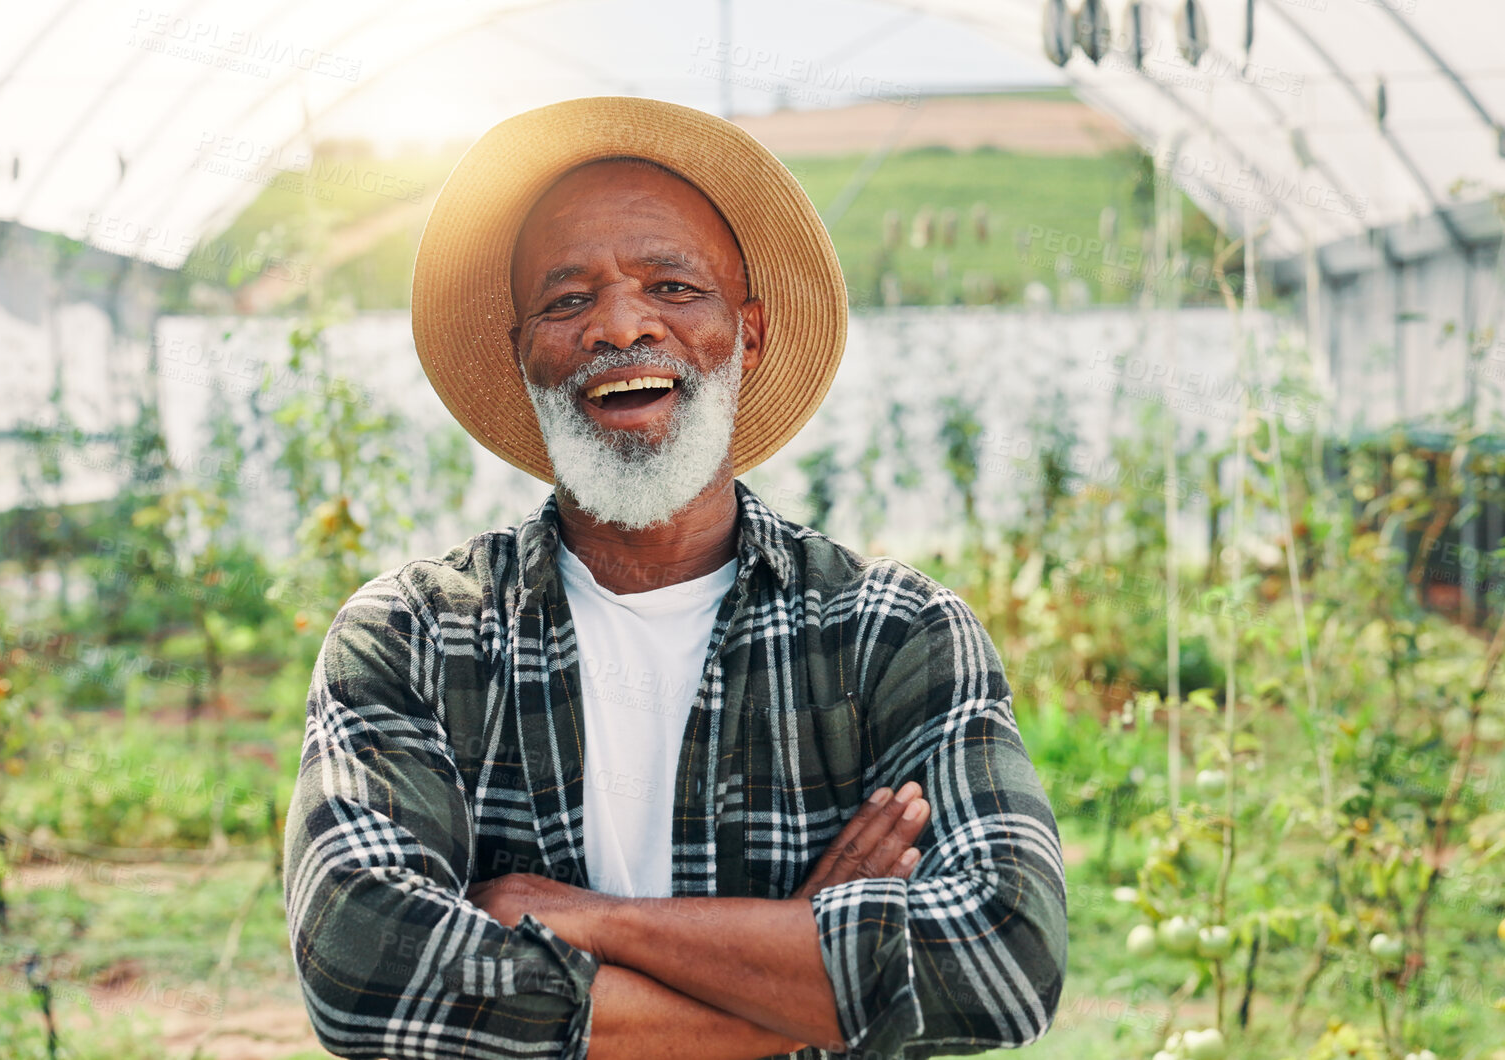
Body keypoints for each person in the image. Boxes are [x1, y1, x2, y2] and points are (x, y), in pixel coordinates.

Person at [282, 96, 1066, 1060]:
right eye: (566, 300)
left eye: (673, 286)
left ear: (751, 335)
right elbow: (364, 974)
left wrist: (579, 918)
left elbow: (1003, 960)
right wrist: (792, 970)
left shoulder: (890, 635)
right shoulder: (414, 638)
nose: (620, 324)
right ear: (522, 355)